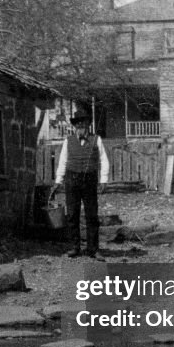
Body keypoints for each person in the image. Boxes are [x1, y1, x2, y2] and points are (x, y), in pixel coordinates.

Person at [52, 108, 110, 259]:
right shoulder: (68, 141)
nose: (81, 126)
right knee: (72, 214)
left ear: (88, 124)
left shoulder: (96, 139)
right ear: (75, 126)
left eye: (83, 123)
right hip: (71, 180)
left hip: (90, 180)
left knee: (92, 215)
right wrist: (58, 180)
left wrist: (103, 179)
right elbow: (63, 161)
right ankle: (74, 247)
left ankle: (93, 249)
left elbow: (104, 160)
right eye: (78, 124)